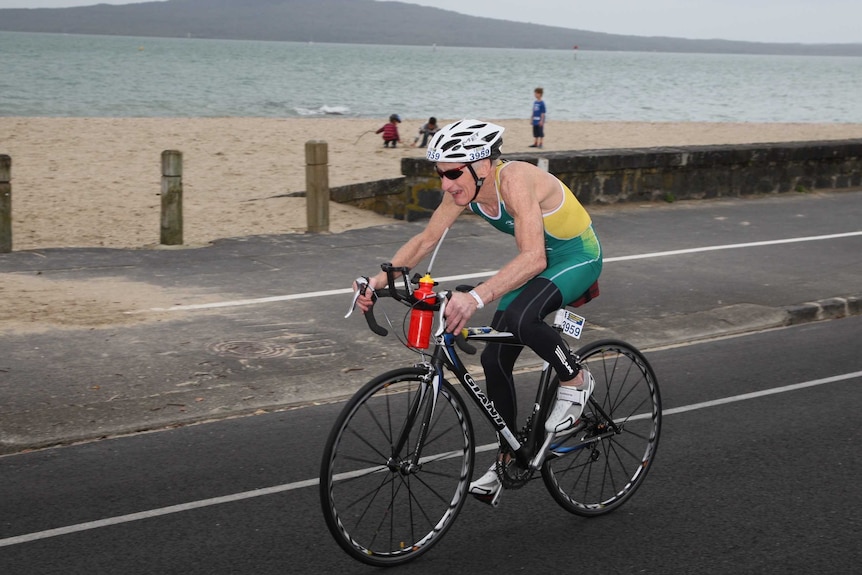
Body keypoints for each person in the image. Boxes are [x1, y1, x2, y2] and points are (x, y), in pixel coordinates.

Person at [353, 120, 602, 499]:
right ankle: (510, 457)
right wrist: (377, 281)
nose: (445, 184)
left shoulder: (515, 179)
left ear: (482, 166)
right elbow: (426, 238)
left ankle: (575, 380)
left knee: (521, 318)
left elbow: (533, 258)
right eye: (440, 174)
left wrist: (476, 297)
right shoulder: (465, 191)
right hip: (539, 264)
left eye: (453, 173)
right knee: (493, 360)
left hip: (577, 257)